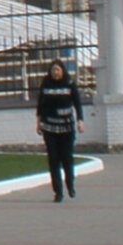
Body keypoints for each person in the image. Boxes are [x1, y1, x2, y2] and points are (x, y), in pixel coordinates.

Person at [35, 58, 84, 202]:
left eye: (58, 70)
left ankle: (70, 185)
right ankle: (58, 192)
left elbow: (77, 103)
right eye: (53, 70)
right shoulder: (46, 84)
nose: (55, 72)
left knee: (67, 158)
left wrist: (80, 120)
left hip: (66, 128)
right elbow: (40, 105)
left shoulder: (69, 84)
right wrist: (38, 123)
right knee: (53, 160)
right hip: (49, 128)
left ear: (62, 71)